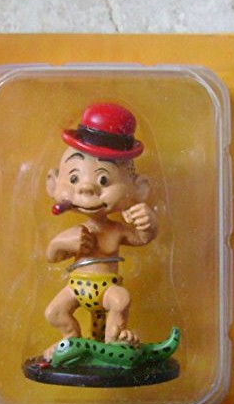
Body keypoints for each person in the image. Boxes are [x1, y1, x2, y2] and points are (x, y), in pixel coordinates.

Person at [43, 103, 158, 361]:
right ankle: (70, 340)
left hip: (106, 289)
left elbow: (142, 237)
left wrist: (148, 223)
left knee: (121, 300)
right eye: (74, 178)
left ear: (138, 189)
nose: (86, 189)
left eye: (103, 180)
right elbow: (52, 256)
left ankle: (113, 341)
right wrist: (61, 242)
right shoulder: (75, 232)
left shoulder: (116, 230)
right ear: (53, 183)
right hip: (76, 287)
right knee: (53, 313)